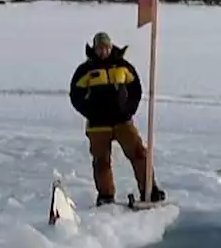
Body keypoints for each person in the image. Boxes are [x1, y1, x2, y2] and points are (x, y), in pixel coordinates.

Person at [68, 31, 163, 206]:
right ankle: (106, 195)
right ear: (94, 49)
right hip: (98, 125)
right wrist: (90, 111)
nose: (103, 52)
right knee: (101, 161)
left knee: (139, 153)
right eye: (99, 48)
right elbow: (76, 95)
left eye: (106, 48)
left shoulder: (123, 66)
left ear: (111, 47)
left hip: (122, 121)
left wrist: (129, 109)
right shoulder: (86, 70)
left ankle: (149, 189)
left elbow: (135, 90)